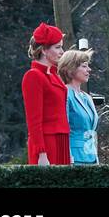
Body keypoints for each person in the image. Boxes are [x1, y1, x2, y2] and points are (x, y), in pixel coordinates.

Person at [22, 23, 70, 165]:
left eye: (61, 46)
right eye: (57, 47)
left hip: (61, 139)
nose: (62, 51)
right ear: (43, 50)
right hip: (47, 142)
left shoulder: (54, 75)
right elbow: (33, 120)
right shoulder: (33, 76)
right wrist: (41, 152)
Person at [60, 47, 99, 165]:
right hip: (74, 158)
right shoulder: (65, 93)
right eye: (84, 66)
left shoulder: (87, 97)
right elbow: (64, 129)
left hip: (91, 158)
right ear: (71, 68)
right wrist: (68, 157)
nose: (89, 69)